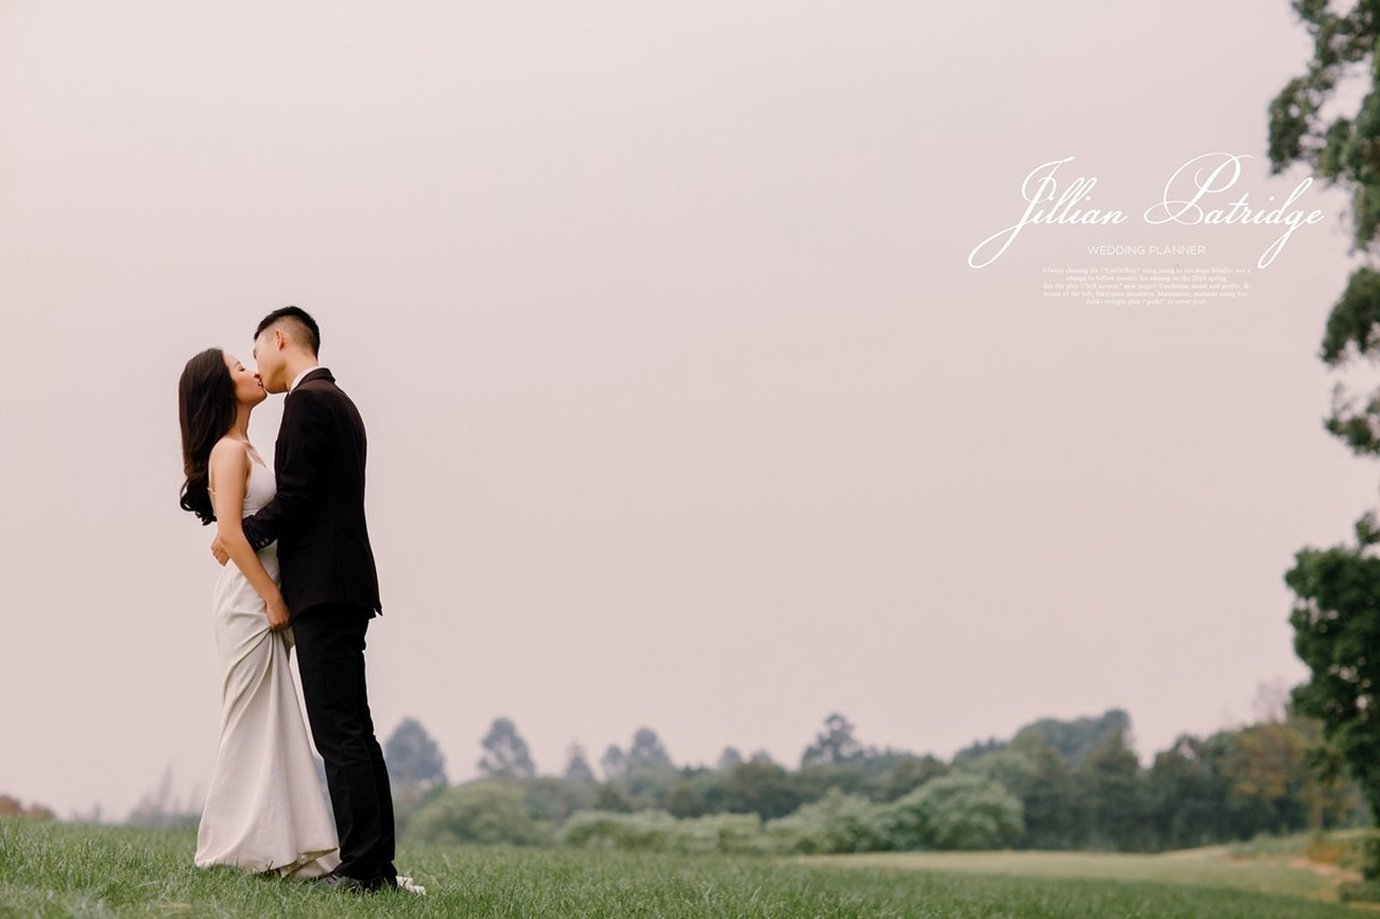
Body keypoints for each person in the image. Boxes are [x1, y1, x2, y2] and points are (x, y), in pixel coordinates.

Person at [209, 306, 403, 893]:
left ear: (280, 339)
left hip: (322, 588)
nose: (257, 364)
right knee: (354, 729)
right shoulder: (339, 401)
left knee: (339, 732)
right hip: (343, 584)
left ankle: (364, 869)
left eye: (256, 351)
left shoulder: (307, 403)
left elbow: (296, 498)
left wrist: (238, 536)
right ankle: (374, 865)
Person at [177, 347, 341, 879]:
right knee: (250, 718)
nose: (252, 370)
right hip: (249, 602)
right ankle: (231, 846)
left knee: (274, 719)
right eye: (239, 367)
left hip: (260, 595)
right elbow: (229, 533)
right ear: (221, 388)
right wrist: (271, 596)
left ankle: (281, 844)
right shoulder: (228, 451)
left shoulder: (247, 447)